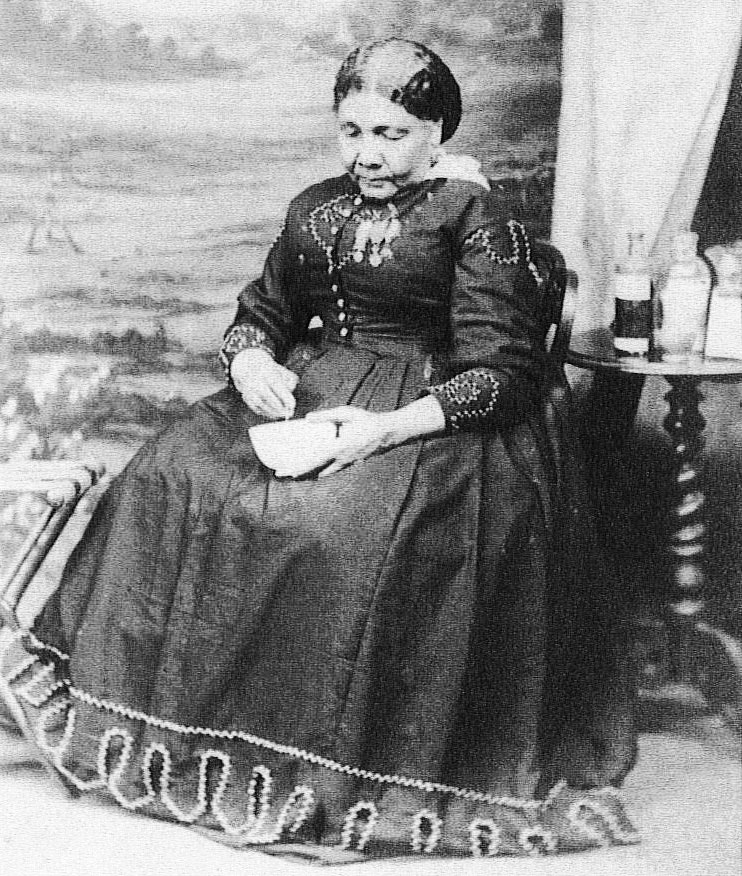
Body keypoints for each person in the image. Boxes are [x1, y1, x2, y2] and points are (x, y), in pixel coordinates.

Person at [1, 38, 639, 859]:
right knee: (165, 474)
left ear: (437, 130)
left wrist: (384, 428)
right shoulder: (313, 207)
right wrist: (253, 360)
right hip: (319, 385)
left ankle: (317, 766)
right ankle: (164, 725)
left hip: (435, 414)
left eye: (391, 134)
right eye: (352, 131)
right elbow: (263, 310)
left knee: (336, 528)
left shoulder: (478, 221)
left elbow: (503, 373)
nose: (367, 154)